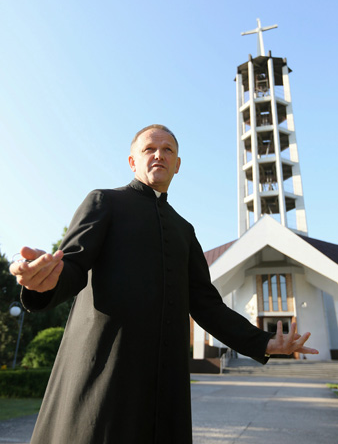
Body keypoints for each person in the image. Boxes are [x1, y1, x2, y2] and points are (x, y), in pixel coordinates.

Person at [10, 125, 318, 444]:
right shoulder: (105, 201)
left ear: (177, 164)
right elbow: (72, 265)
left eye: (168, 149)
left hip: (166, 380)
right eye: (149, 149)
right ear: (133, 161)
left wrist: (263, 342)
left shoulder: (184, 230)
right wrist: (44, 281)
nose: (159, 154)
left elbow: (206, 305)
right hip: (106, 369)